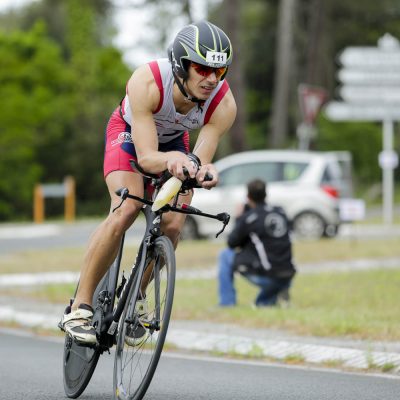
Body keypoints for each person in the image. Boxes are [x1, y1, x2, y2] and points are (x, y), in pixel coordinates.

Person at [60, 21, 237, 345]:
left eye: (219, 71)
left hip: (174, 143)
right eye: (202, 68)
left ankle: (135, 299)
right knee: (127, 208)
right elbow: (145, 157)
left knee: (172, 226)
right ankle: (80, 309)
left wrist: (202, 170)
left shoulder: (224, 105)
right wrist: (172, 161)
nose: (211, 79)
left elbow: (200, 155)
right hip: (129, 136)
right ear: (181, 66)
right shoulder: (147, 81)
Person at [218, 179, 296, 307]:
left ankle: (227, 303)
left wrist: (239, 217)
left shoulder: (249, 218)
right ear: (266, 194)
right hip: (288, 273)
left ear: (248, 197)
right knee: (272, 249)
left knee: (225, 255)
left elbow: (232, 243)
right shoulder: (280, 212)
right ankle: (277, 293)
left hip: (268, 274)